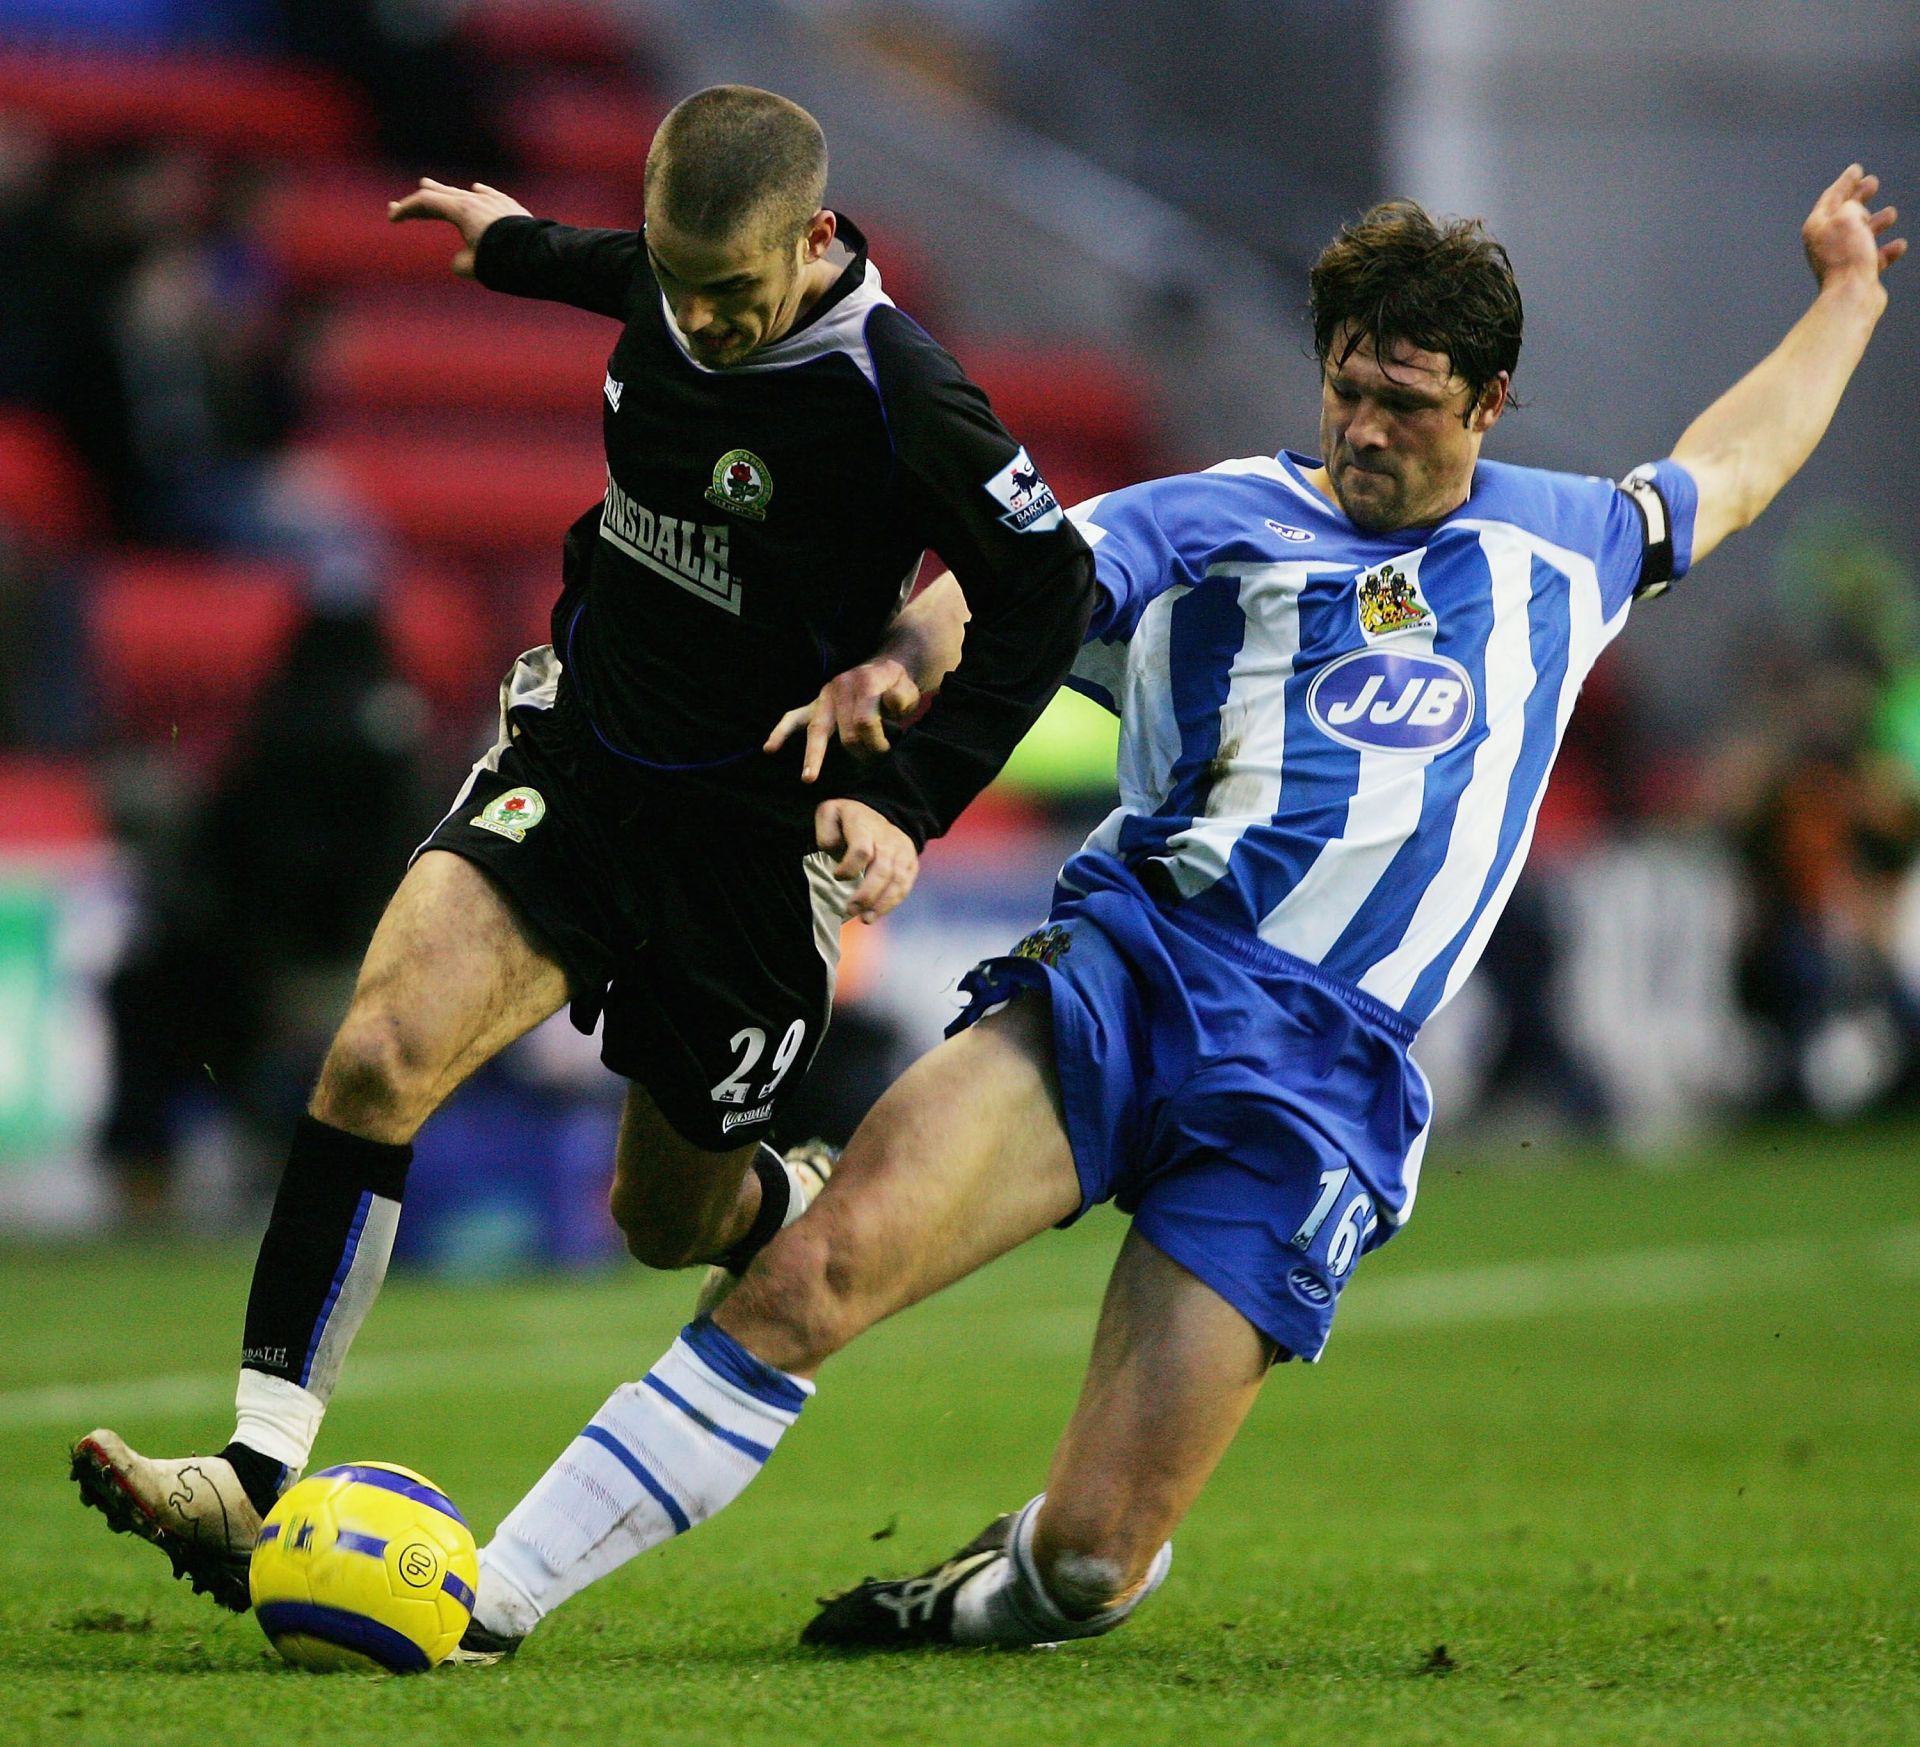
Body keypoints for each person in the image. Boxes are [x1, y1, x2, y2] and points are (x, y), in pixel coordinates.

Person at [440, 166, 1903, 1658]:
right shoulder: (1228, 515)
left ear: (1491, 403)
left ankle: (984, 1592)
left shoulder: (1572, 546)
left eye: (1408, 400)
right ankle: (485, 1598)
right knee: (812, 1277)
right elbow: (1017, 582)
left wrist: (1846, 294)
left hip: (1318, 1088)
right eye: (1349, 389)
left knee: (1090, 1562)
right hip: (1135, 979)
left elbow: (1734, 463)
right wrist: (901, 660)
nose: (1368, 429)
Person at [70, 84, 1094, 1609]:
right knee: (376, 1054)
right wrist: (511, 242)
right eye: (683, 291)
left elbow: (1048, 590)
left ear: (815, 242)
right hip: (580, 764)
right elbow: (622, 272)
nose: (707, 326)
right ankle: (257, 1469)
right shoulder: (683, 283)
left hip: (749, 850)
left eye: (739, 298)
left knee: (659, 1223)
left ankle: (783, 1199)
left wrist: (909, 794)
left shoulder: (901, 389)